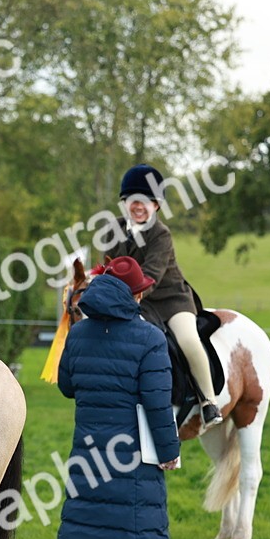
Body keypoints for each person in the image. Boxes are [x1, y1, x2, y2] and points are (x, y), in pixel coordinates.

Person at [43, 257, 181, 539]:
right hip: (134, 442)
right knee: (140, 506)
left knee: (85, 503)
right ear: (133, 295)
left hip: (89, 437)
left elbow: (66, 386)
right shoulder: (150, 338)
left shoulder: (77, 333)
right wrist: (169, 451)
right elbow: (157, 403)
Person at [103, 164, 222, 428]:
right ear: (125, 202)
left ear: (156, 205)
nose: (139, 206)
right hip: (134, 303)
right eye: (134, 200)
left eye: (146, 201)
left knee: (189, 340)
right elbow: (108, 266)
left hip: (170, 300)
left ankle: (209, 401)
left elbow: (151, 275)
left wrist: (122, 298)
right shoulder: (113, 229)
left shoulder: (161, 234)